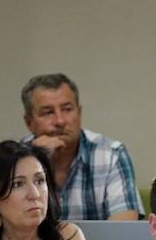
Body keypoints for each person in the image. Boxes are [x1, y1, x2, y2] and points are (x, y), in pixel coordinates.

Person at [19, 73, 141, 221]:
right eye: (48, 112)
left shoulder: (110, 154)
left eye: (67, 109)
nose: (60, 121)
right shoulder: (14, 161)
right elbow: (4, 227)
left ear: (80, 112)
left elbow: (124, 230)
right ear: (29, 122)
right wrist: (35, 157)